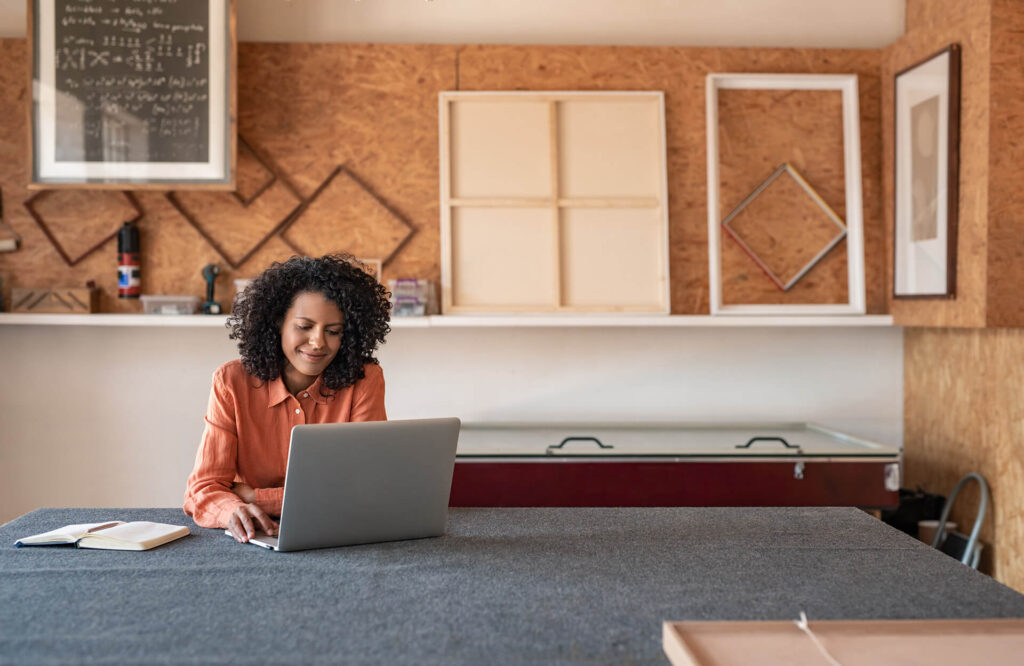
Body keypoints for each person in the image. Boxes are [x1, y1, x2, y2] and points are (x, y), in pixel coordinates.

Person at [183, 254, 391, 543]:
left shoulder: (365, 380)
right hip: (254, 540)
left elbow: (363, 488)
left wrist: (256, 498)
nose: (318, 342)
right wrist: (232, 509)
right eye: (304, 327)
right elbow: (203, 488)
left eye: (333, 331)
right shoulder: (231, 382)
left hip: (334, 538)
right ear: (277, 322)